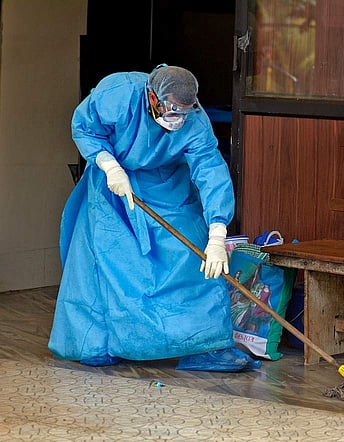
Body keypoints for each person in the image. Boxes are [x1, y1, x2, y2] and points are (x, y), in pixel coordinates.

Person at [48, 65, 260, 372]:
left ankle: (205, 344)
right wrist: (109, 165)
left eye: (184, 112)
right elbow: (85, 127)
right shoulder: (118, 94)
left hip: (168, 186)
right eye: (172, 111)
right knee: (110, 261)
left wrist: (217, 234)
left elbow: (210, 171)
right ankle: (101, 343)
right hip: (115, 185)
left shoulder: (195, 122)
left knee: (192, 256)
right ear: (152, 98)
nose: (178, 120)